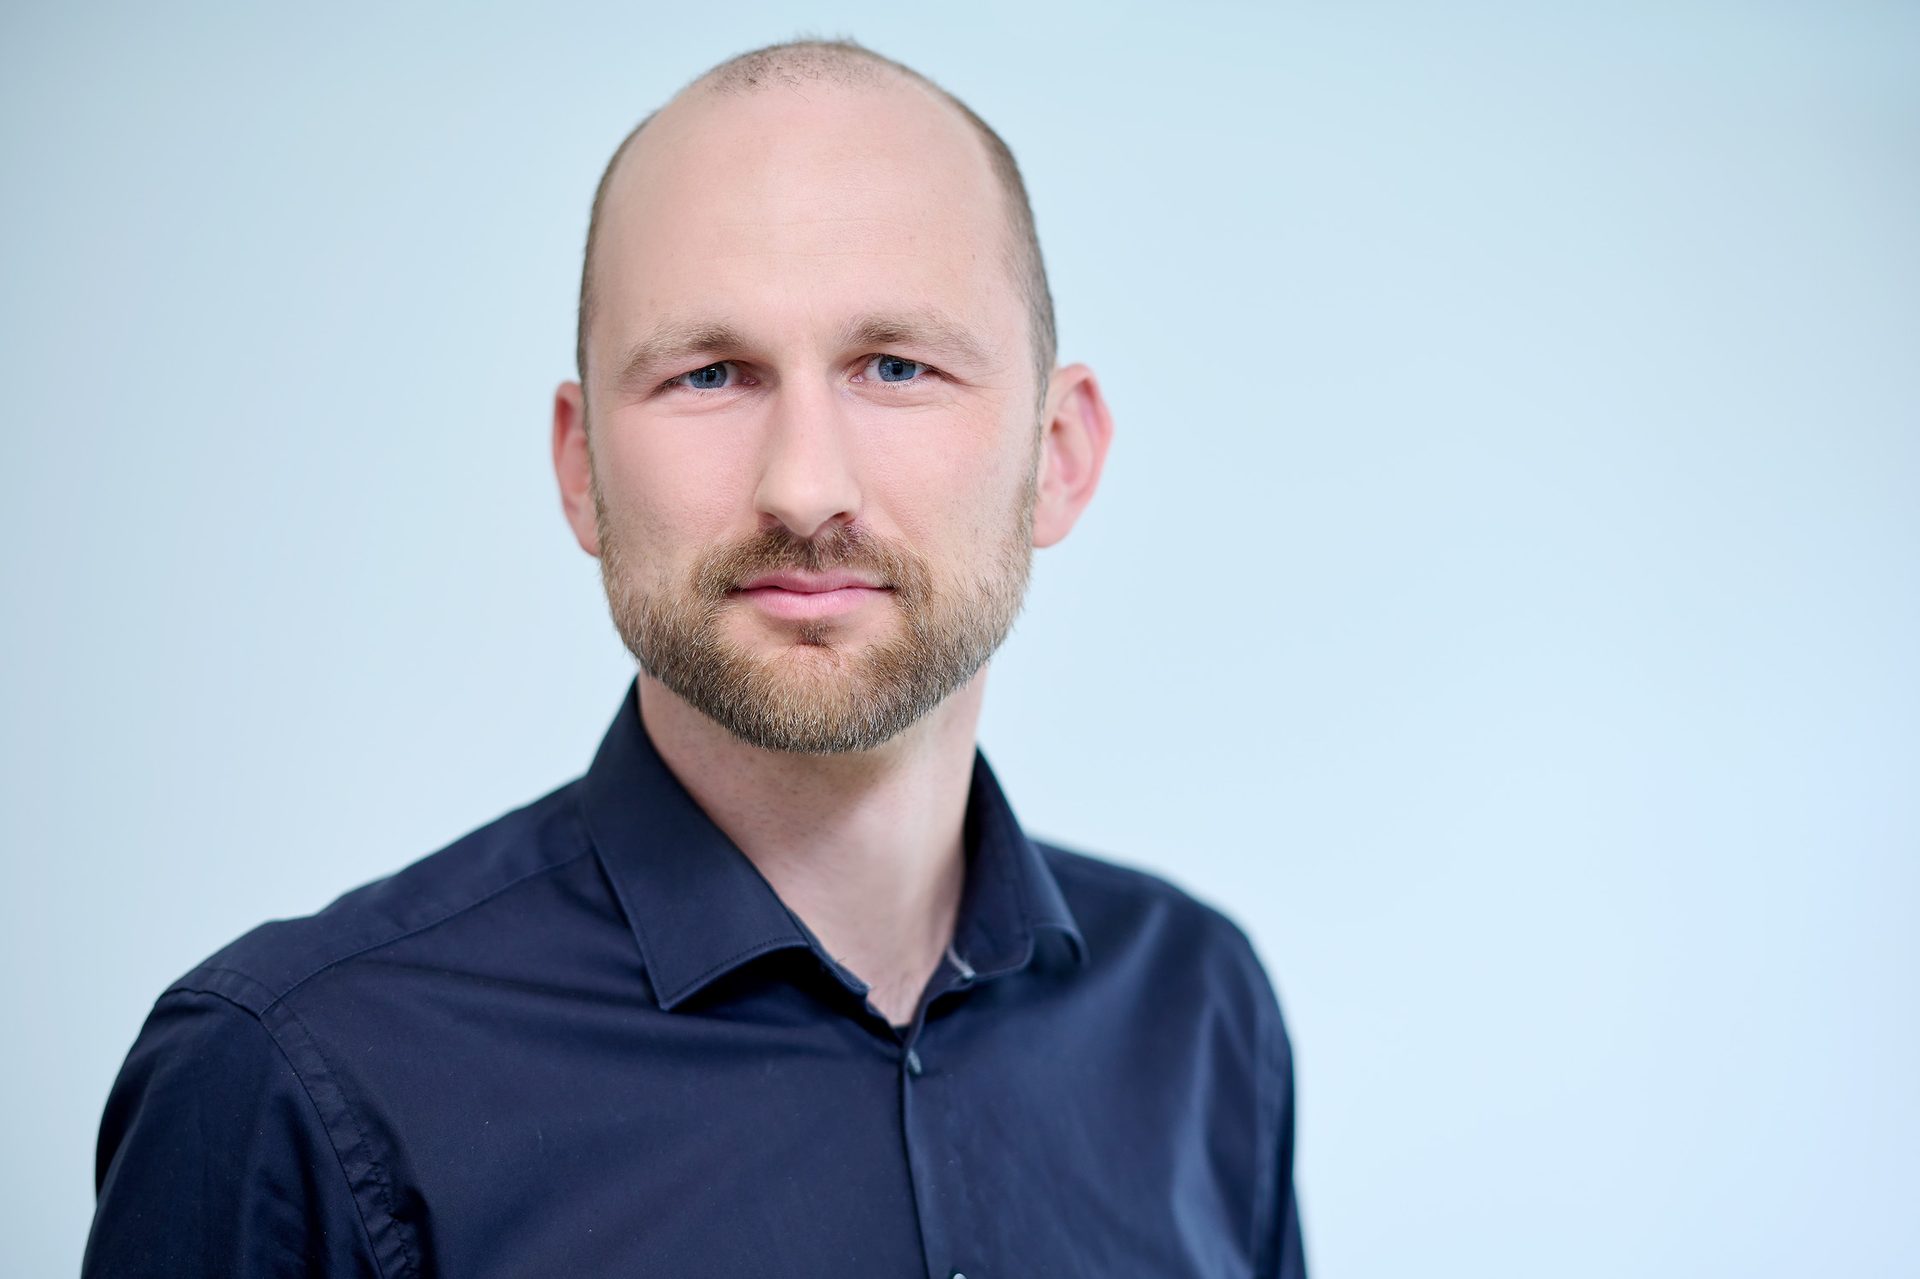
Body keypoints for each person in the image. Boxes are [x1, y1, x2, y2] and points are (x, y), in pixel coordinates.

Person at [83, 37, 1307, 1279]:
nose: (805, 487)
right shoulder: (285, 1082)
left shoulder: (1199, 1014)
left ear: (1060, 454)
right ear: (581, 470)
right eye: (710, 374)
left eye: (896, 366)